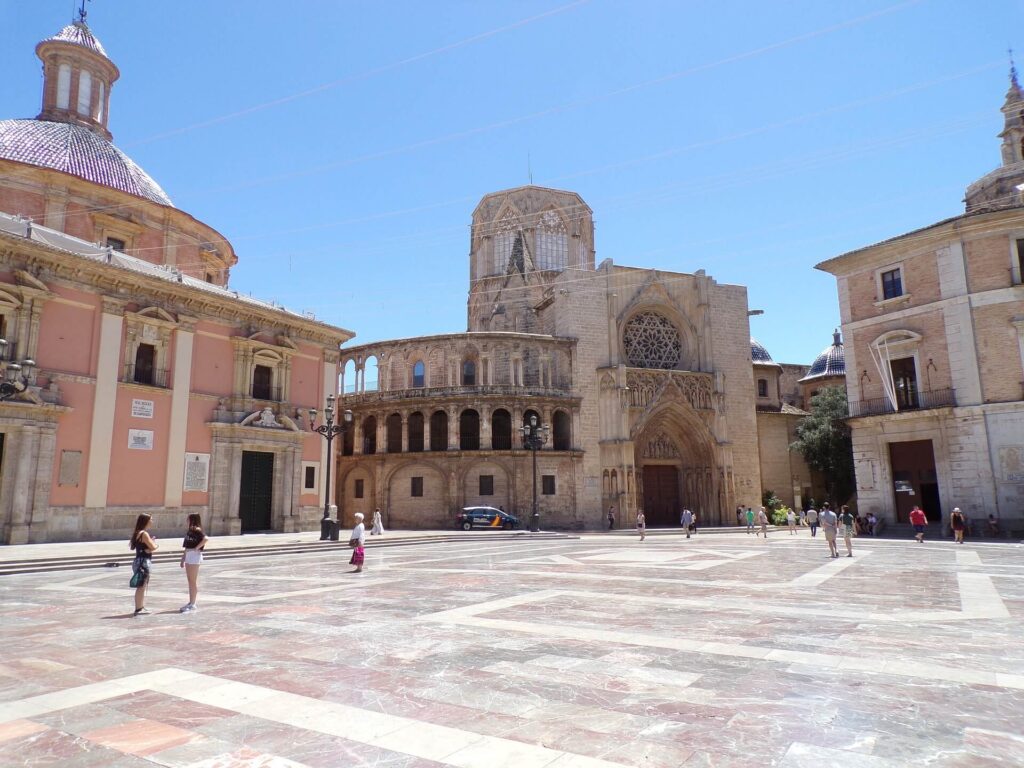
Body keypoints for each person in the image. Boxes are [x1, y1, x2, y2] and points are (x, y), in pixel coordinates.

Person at [129, 513, 158, 616]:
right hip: (144, 562)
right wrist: (154, 543)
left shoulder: (138, 533)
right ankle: (138, 608)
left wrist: (149, 547)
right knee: (141, 586)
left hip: (138, 560)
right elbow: (153, 547)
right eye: (151, 519)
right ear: (145, 521)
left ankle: (140, 606)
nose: (152, 521)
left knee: (142, 585)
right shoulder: (144, 534)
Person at [179, 513, 208, 613]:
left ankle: (193, 603)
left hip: (194, 555)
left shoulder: (196, 529)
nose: (187, 520)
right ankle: (190, 602)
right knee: (190, 580)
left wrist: (197, 547)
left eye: (188, 519)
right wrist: (183, 558)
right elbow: (186, 546)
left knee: (192, 581)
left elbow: (206, 539)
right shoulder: (190, 531)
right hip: (189, 555)